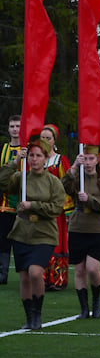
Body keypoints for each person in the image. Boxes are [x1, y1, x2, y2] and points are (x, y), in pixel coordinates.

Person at [1, 136, 66, 331]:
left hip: (44, 233)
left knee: (36, 273)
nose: (34, 159)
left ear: (46, 158)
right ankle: (29, 317)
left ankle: (38, 313)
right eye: (31, 155)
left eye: (38, 155)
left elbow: (56, 208)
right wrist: (14, 162)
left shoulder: (53, 182)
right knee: (24, 277)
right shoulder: (21, 177)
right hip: (22, 232)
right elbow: (2, 181)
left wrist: (33, 205)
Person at [63, 148, 100, 319]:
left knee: (92, 269)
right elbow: (63, 187)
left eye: (91, 158)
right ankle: (84, 308)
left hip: (97, 228)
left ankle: (96, 302)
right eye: (84, 158)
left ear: (97, 160)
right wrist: (73, 167)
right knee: (79, 270)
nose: (87, 162)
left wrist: (90, 200)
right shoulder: (78, 178)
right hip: (78, 227)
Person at [39, 125, 71, 291]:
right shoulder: (36, 159)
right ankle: (41, 279)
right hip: (39, 209)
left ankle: (56, 279)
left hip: (56, 211)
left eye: (48, 138)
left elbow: (67, 186)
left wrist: (68, 209)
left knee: (56, 242)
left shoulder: (60, 160)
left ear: (54, 141)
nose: (44, 141)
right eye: (42, 138)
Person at [0, 115, 22, 285]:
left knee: (22, 240)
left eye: (18, 126)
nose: (15, 129)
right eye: (13, 126)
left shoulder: (29, 150)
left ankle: (24, 273)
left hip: (24, 204)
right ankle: (3, 273)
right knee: (3, 240)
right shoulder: (3, 149)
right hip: (5, 203)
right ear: (8, 129)